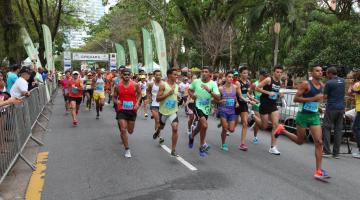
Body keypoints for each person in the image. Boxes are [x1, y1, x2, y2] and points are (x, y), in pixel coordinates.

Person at [274, 65, 330, 180]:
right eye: (317, 71)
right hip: (302, 115)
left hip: (314, 116)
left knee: (319, 142)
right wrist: (313, 99)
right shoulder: (306, 84)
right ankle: (282, 130)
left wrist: (318, 107)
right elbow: (296, 99)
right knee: (300, 141)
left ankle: (318, 171)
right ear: (311, 72)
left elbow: (317, 101)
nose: (320, 73)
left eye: (321, 71)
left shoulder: (322, 86)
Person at [188, 67, 220, 157]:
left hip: (206, 108)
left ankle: (192, 135)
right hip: (197, 106)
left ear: (210, 74)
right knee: (205, 125)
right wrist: (192, 96)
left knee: (200, 126)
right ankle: (202, 145)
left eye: (206, 72)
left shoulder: (213, 84)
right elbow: (189, 89)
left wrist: (209, 90)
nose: (204, 73)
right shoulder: (196, 82)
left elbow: (218, 97)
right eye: (203, 71)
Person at [254, 65, 283, 155]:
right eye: (277, 72)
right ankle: (254, 117)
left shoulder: (280, 82)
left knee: (275, 125)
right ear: (273, 72)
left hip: (273, 105)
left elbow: (275, 93)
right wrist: (268, 93)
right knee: (264, 126)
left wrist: (279, 95)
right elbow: (257, 88)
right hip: (265, 104)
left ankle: (273, 147)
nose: (279, 74)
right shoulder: (268, 80)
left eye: (280, 72)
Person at [113, 68, 141, 158]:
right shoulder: (118, 86)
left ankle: (124, 136)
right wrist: (116, 101)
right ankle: (127, 149)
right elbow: (114, 96)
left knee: (130, 131)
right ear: (121, 75)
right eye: (125, 75)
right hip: (121, 109)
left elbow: (140, 94)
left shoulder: (135, 85)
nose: (126, 76)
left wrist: (137, 103)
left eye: (128, 75)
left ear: (130, 75)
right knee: (123, 129)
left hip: (132, 110)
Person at [153, 69, 180, 157]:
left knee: (175, 128)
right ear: (169, 75)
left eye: (177, 74)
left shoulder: (176, 85)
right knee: (161, 126)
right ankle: (158, 131)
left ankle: (173, 150)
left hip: (173, 111)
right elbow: (157, 99)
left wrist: (177, 99)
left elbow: (174, 96)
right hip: (163, 111)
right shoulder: (163, 85)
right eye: (175, 74)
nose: (177, 76)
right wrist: (168, 94)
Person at [322, 67, 345, 158]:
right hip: (341, 108)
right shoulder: (343, 81)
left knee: (327, 128)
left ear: (330, 73)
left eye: (327, 74)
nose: (326, 75)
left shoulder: (329, 83)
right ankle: (336, 153)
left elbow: (325, 96)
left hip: (331, 107)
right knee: (338, 130)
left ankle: (327, 151)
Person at [218, 71, 241, 151]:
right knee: (225, 128)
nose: (231, 78)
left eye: (232, 77)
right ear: (226, 77)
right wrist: (220, 101)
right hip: (223, 110)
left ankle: (222, 122)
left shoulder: (235, 87)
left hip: (231, 111)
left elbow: (235, 97)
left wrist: (237, 103)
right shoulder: (221, 88)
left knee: (231, 130)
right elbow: (215, 100)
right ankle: (223, 144)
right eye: (229, 77)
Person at [236, 67, 257, 151]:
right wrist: (249, 101)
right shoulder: (238, 83)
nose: (246, 74)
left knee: (245, 123)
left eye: (247, 73)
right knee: (232, 128)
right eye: (244, 73)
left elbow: (247, 94)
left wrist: (253, 99)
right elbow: (240, 96)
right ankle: (224, 124)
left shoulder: (248, 82)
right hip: (236, 104)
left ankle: (242, 144)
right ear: (240, 73)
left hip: (244, 105)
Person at [250, 69, 268, 144]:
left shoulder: (267, 84)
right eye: (264, 75)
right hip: (256, 104)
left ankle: (253, 118)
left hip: (264, 104)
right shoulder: (255, 84)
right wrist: (253, 99)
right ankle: (255, 137)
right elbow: (249, 93)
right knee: (258, 121)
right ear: (260, 75)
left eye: (266, 76)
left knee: (260, 122)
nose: (265, 77)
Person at [349, 69, 360, 158]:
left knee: (356, 128)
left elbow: (350, 92)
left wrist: (350, 84)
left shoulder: (357, 84)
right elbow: (354, 94)